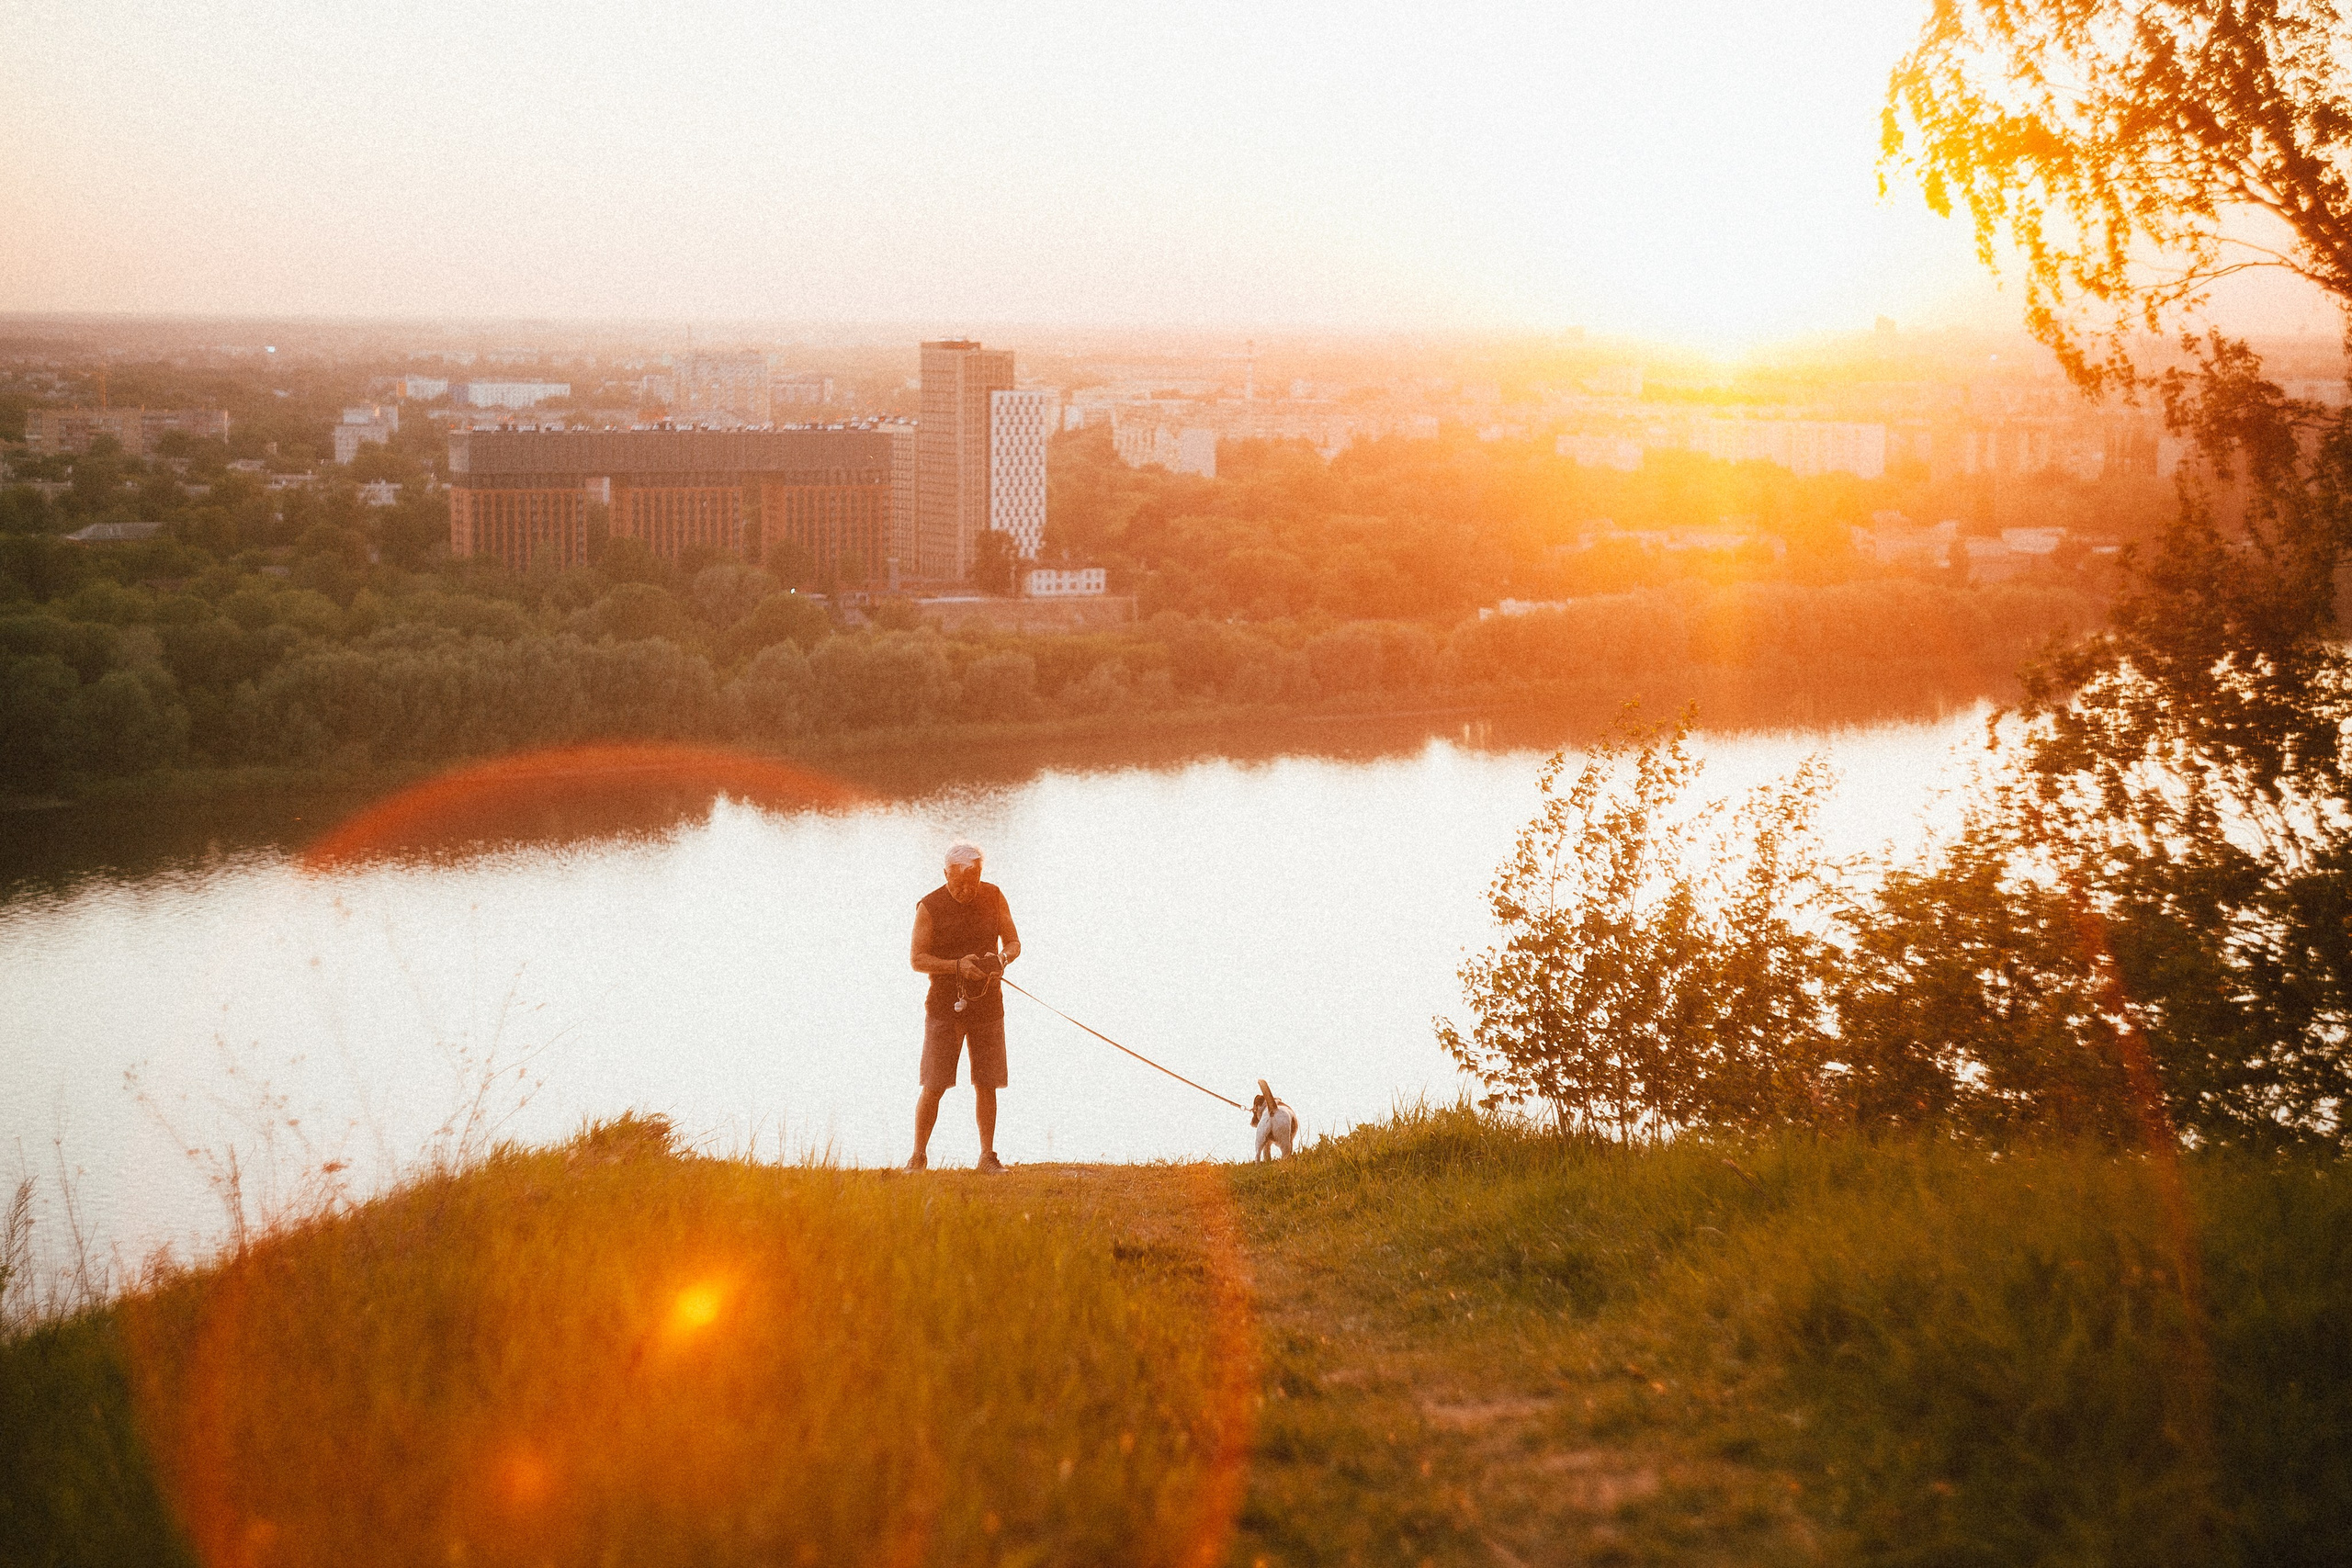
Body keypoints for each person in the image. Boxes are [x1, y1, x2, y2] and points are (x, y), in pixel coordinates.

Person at [907, 840, 1022, 1172]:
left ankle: (987, 1157)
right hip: (945, 1006)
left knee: (987, 1082)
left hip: (988, 1003)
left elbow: (1014, 942)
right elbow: (917, 959)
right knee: (934, 1084)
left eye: (972, 881)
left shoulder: (994, 895)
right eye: (957, 883)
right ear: (945, 874)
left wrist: (1002, 958)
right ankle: (918, 1157)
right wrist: (958, 965)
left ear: (981, 874)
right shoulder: (929, 906)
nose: (965, 889)